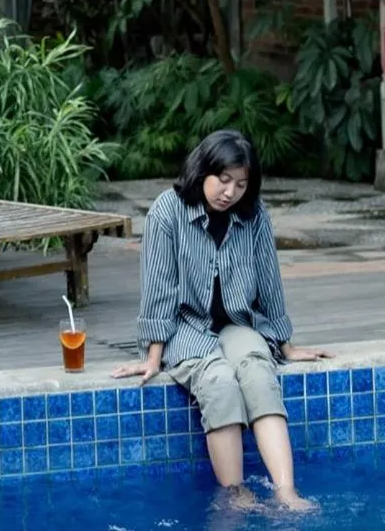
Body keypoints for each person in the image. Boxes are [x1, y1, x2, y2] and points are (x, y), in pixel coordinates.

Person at [112, 129, 332, 510]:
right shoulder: (168, 211)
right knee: (218, 380)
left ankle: (287, 493)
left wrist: (285, 343)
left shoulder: (254, 215)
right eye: (223, 179)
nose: (230, 192)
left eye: (241, 184)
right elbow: (158, 287)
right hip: (183, 325)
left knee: (258, 370)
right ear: (203, 171)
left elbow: (268, 279)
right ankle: (236, 496)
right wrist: (153, 355)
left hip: (236, 321)